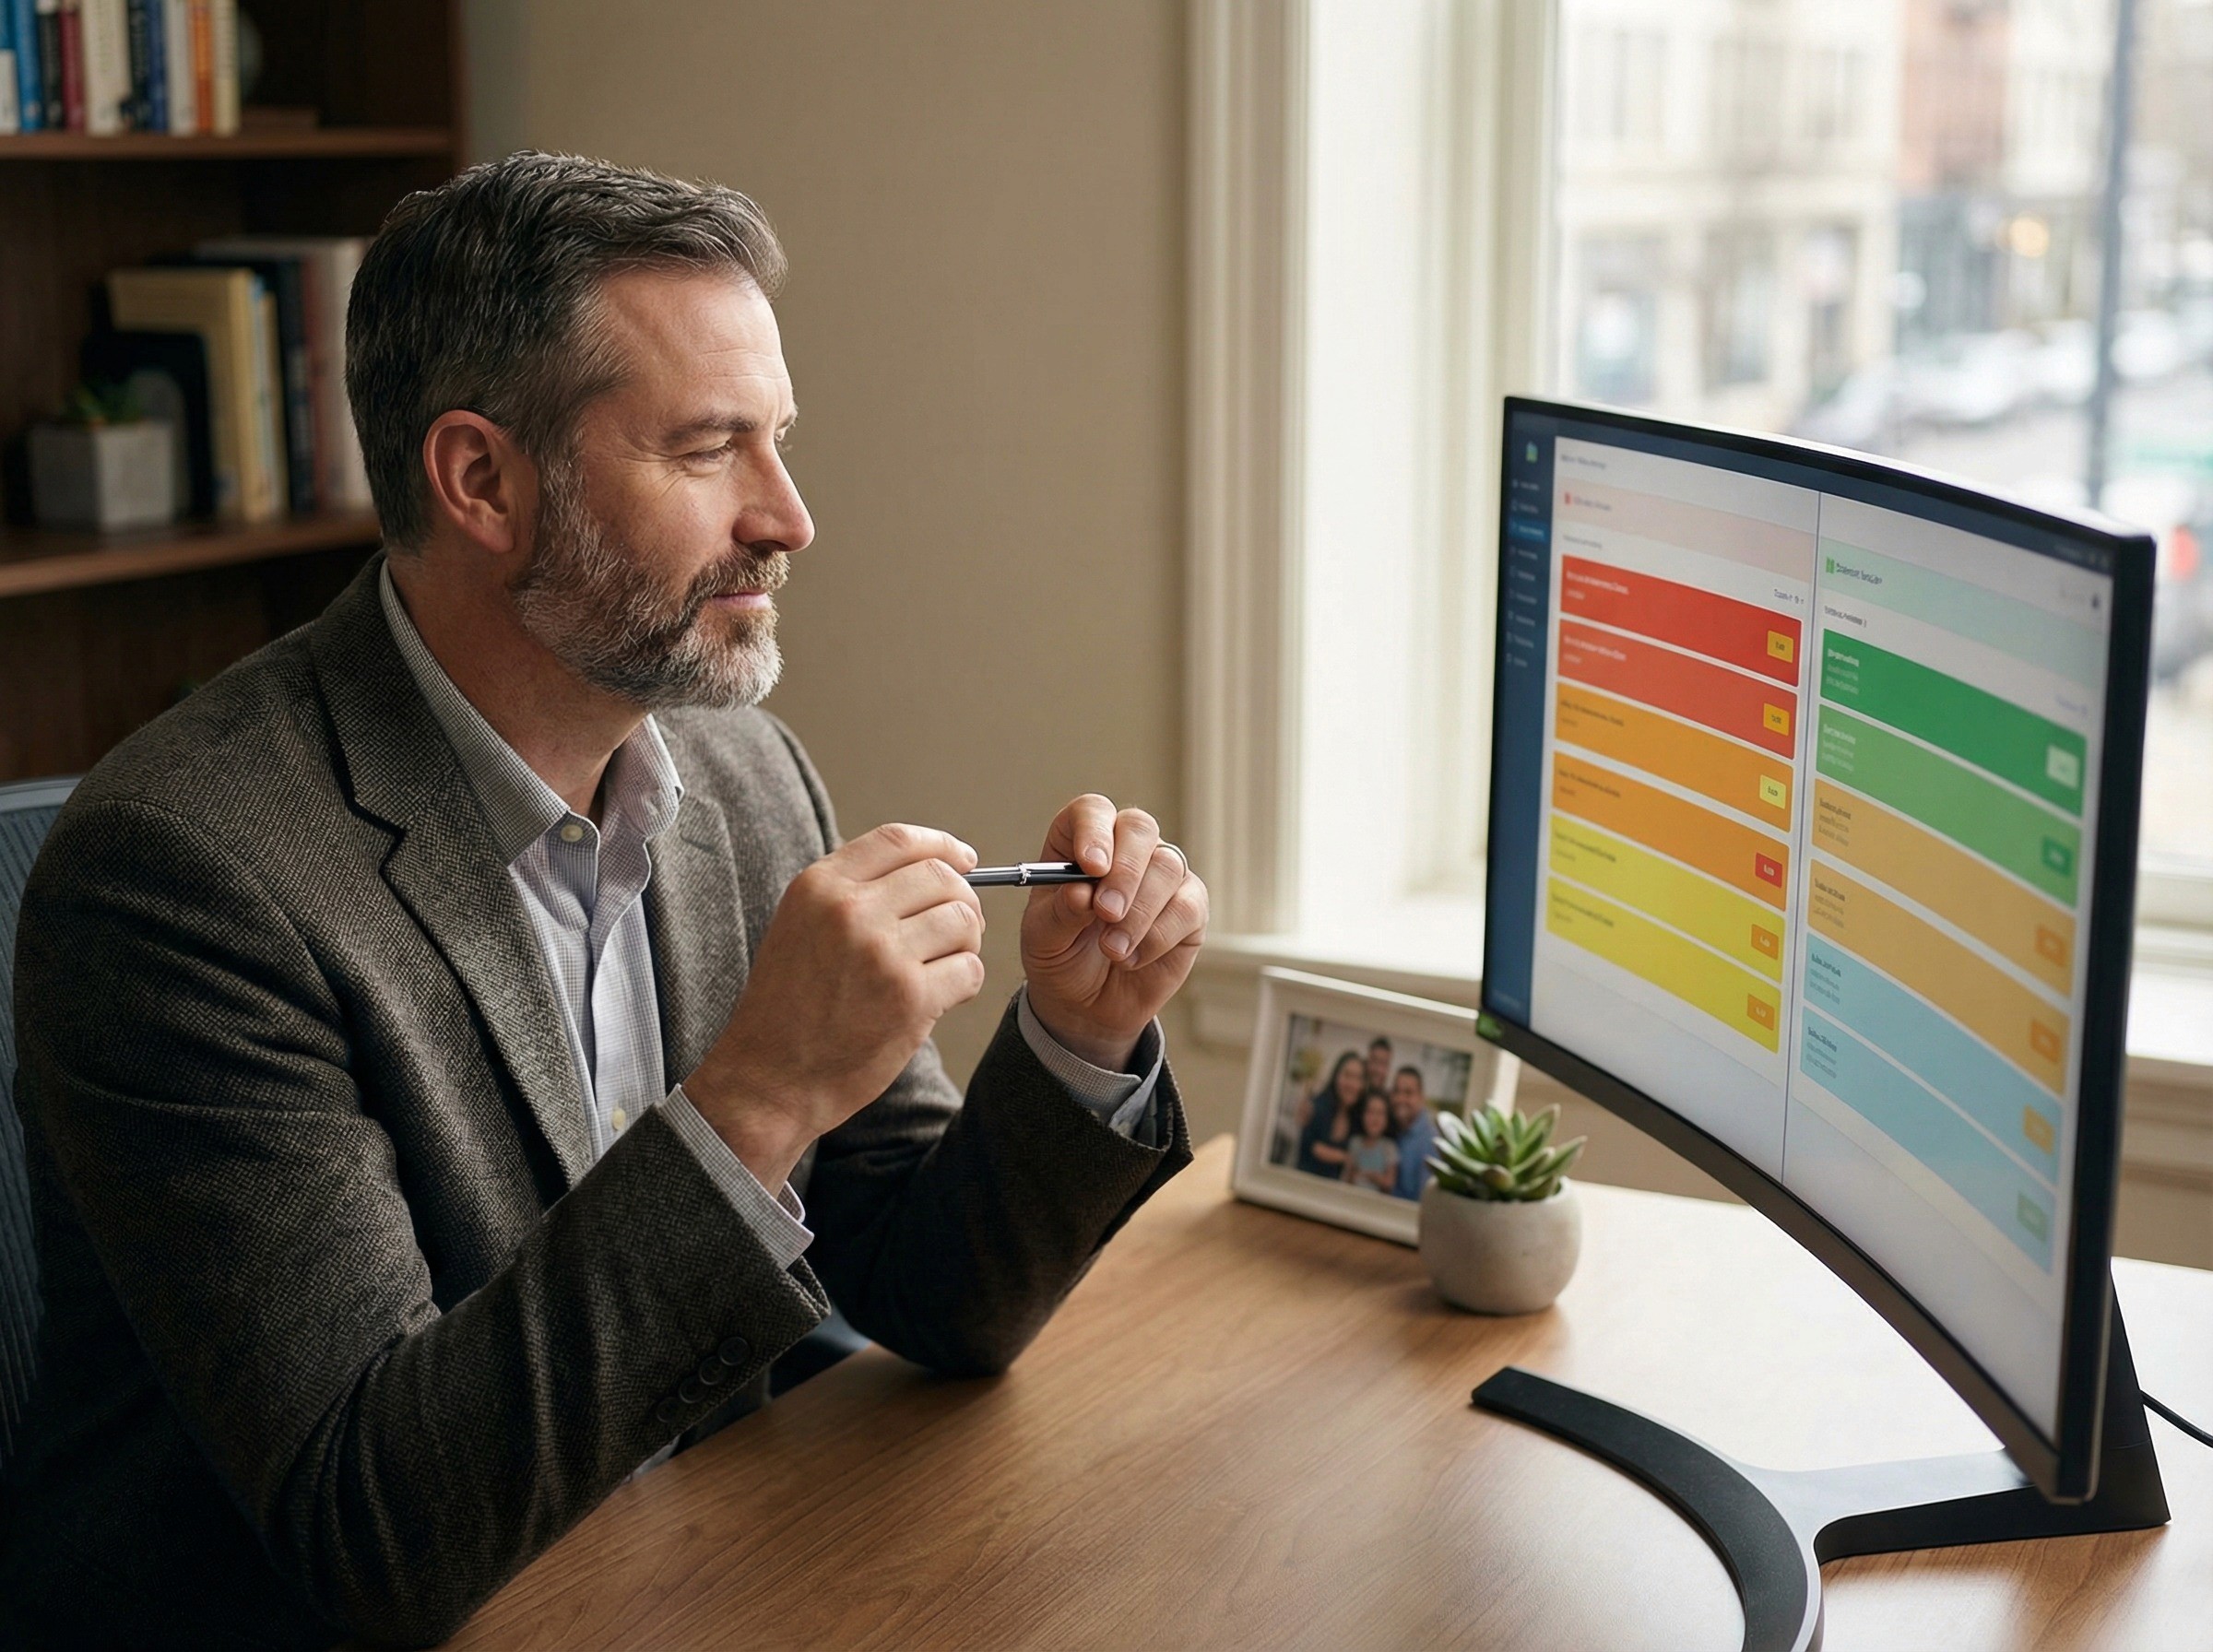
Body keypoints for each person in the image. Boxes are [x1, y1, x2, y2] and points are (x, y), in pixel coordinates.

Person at [0, 153, 1208, 1650]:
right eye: (711, 450)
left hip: (693, 1573)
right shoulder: (183, 879)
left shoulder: (748, 773)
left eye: (781, 441)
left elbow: (930, 1291)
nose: (791, 517)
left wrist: (1078, 1040)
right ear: (481, 480)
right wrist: (757, 1097)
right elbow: (376, 1526)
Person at [1296, 1051, 1366, 1178]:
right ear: (1336, 1076)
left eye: (1358, 1078)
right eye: (1347, 1075)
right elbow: (1313, 1147)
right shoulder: (1316, 1106)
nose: (1352, 1084)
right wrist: (1345, 1158)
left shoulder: (1357, 1118)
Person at [1390, 1066, 1439, 1200]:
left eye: (1408, 1093)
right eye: (1397, 1091)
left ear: (1421, 1098)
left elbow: (1423, 1201)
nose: (1400, 1099)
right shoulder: (1392, 1128)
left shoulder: (1431, 1141)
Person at [1340, 1092, 1400, 1194]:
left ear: (1387, 1118)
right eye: (1370, 1112)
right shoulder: (1355, 1143)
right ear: (1362, 1115)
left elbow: (1389, 1183)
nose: (1375, 1118)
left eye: (1380, 1113)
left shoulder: (1389, 1147)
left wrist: (1375, 1178)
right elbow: (1346, 1177)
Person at [1364, 1035, 1394, 1100]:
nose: (1378, 1069)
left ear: (1388, 1068)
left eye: (1383, 1063)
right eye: (1374, 1061)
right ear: (1367, 1062)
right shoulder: (1354, 1097)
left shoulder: (1391, 1102)